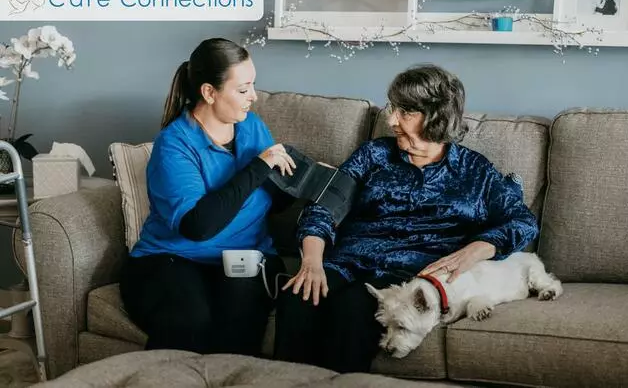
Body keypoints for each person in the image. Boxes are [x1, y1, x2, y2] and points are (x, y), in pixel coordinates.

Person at [273, 64, 539, 373]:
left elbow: (522, 222)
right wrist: (311, 261)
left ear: (436, 117)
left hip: (408, 275)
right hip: (346, 262)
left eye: (405, 112)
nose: (391, 120)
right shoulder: (374, 155)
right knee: (298, 296)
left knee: (353, 308)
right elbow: (325, 205)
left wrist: (476, 249)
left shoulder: (475, 172)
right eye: (393, 108)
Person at [119, 38, 296, 357]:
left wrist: (299, 180)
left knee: (238, 321)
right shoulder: (174, 144)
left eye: (253, 85)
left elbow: (273, 202)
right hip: (173, 258)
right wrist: (258, 167)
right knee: (189, 321)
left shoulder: (252, 127)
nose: (254, 97)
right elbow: (197, 226)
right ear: (209, 92)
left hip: (248, 256)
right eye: (243, 89)